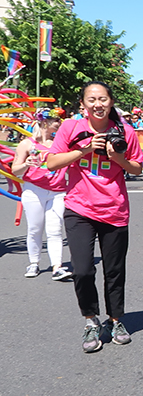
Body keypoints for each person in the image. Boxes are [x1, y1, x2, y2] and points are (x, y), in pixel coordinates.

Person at [46, 81, 143, 353]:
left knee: (114, 271)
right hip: (79, 208)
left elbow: (137, 169)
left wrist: (118, 158)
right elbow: (52, 162)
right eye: (92, 99)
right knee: (82, 270)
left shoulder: (125, 131)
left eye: (103, 99)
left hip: (114, 209)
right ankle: (91, 319)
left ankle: (116, 320)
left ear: (111, 102)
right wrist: (86, 149)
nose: (97, 104)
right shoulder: (71, 128)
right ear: (83, 104)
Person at [10, 108, 72, 280]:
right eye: (56, 120)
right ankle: (34, 263)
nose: (59, 123)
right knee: (34, 228)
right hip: (34, 190)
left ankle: (57, 266)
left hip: (58, 191)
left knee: (55, 229)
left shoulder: (60, 143)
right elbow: (15, 169)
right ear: (45, 122)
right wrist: (27, 163)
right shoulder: (27, 144)